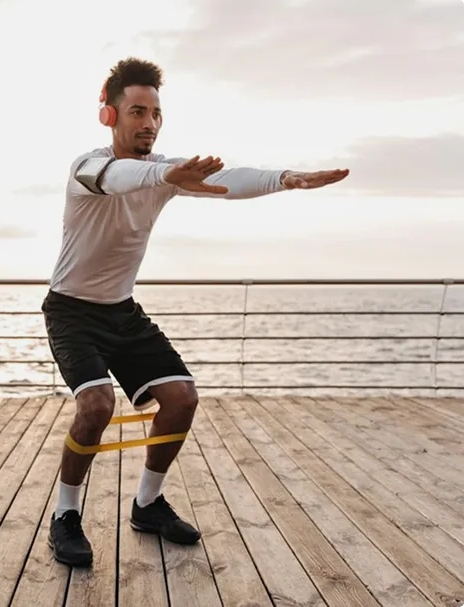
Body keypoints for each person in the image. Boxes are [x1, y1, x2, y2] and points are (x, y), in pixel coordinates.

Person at [41, 57, 349, 567]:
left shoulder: (165, 172)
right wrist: (167, 173)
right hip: (71, 310)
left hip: (122, 311)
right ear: (109, 116)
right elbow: (117, 178)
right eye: (137, 111)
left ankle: (147, 505)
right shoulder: (88, 167)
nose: (149, 122)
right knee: (95, 407)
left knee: (182, 399)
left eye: (156, 113)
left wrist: (287, 178)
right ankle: (65, 516)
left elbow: (229, 179)